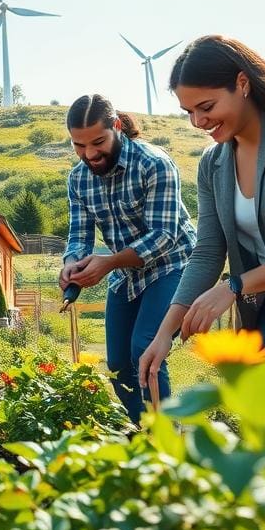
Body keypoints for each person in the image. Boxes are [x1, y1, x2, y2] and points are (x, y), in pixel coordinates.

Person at [138, 35, 265, 424]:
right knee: (260, 422)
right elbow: (207, 253)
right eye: (189, 112)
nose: (198, 122)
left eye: (207, 106)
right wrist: (163, 334)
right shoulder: (213, 163)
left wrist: (234, 286)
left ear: (243, 83)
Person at [60, 94, 196, 422]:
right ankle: (144, 435)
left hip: (172, 265)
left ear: (117, 127)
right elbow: (79, 235)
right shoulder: (78, 178)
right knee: (119, 362)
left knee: (145, 349)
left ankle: (165, 444)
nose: (90, 154)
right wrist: (71, 263)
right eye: (79, 146)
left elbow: (164, 237)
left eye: (98, 142)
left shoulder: (154, 163)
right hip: (126, 275)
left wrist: (107, 262)